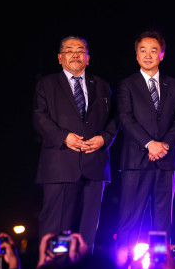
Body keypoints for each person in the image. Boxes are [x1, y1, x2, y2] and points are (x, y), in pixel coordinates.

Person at [33, 36, 117, 253]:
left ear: (88, 58)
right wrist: (64, 137)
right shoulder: (47, 84)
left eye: (80, 50)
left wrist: (104, 139)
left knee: (87, 232)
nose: (75, 54)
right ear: (60, 58)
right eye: (69, 50)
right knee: (55, 230)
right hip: (60, 164)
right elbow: (39, 118)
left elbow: (113, 120)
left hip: (94, 164)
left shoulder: (102, 85)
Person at [116, 31, 175, 264]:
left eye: (153, 50)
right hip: (136, 162)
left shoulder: (174, 85)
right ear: (136, 55)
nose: (148, 55)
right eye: (143, 50)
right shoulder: (126, 84)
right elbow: (125, 119)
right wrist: (149, 144)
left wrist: (163, 145)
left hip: (166, 161)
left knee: (163, 221)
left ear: (162, 54)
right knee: (129, 218)